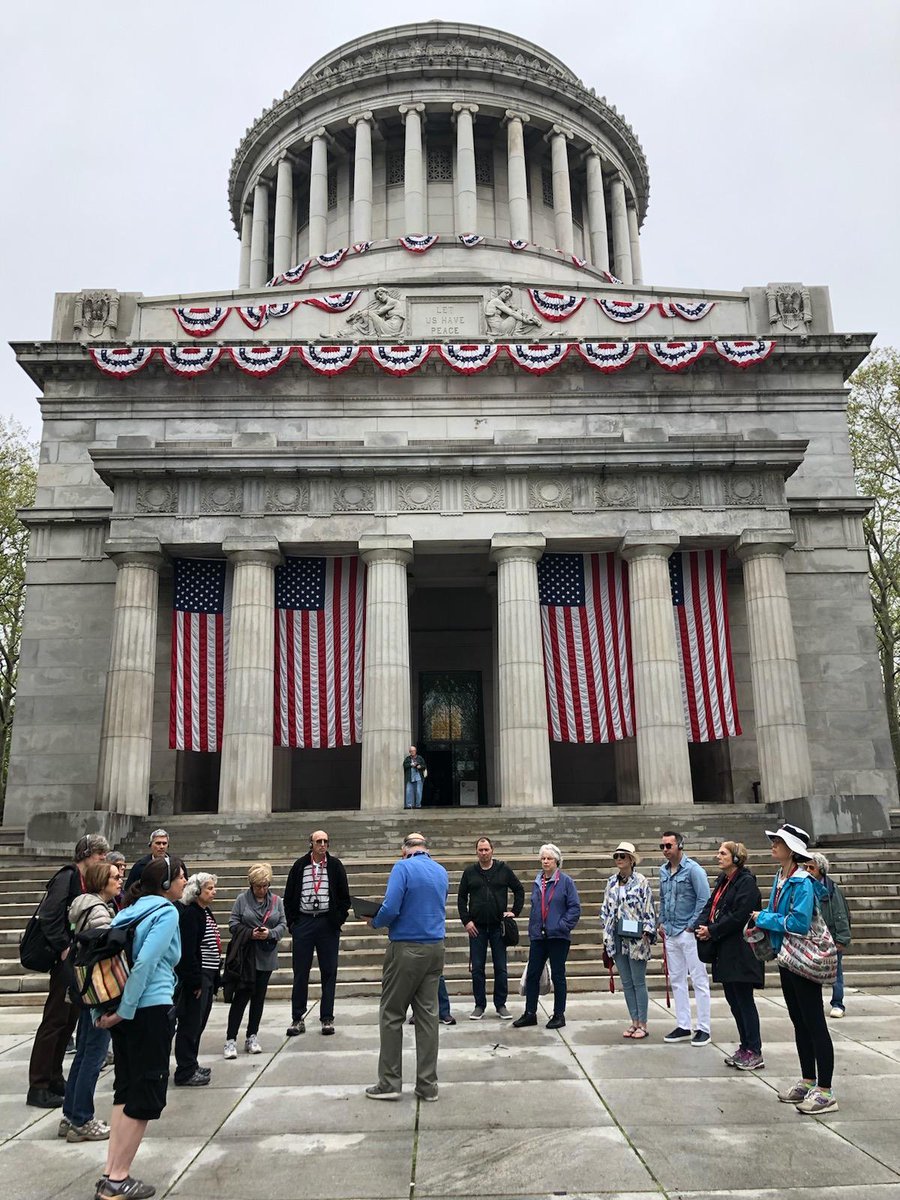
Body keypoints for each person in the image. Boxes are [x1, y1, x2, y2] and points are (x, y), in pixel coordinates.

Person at [95, 854, 188, 1200]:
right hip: (148, 1009)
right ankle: (119, 1179)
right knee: (146, 1093)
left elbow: (106, 961)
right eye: (181, 876)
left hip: (125, 1009)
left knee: (125, 1090)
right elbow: (146, 962)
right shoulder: (166, 912)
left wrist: (109, 1011)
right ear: (165, 883)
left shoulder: (128, 911)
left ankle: (110, 1173)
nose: (184, 882)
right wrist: (125, 1010)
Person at [751, 823, 838, 1114]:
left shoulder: (801, 881)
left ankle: (825, 1090)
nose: (773, 845)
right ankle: (808, 1079)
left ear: (791, 850)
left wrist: (763, 919)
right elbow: (779, 914)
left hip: (804, 957)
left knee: (814, 1022)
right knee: (799, 1021)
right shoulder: (781, 877)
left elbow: (798, 923)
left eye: (778, 841)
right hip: (787, 956)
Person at [27, 832, 110, 1108]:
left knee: (68, 1019)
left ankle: (54, 1077)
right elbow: (50, 914)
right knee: (55, 1020)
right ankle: (39, 1084)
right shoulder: (68, 876)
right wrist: (63, 946)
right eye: (99, 854)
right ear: (86, 854)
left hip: (76, 959)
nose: (103, 859)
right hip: (65, 959)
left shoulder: (83, 879)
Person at [366, 832, 448, 1102]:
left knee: (392, 1013)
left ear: (405, 851)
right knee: (428, 1017)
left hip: (406, 947)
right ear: (425, 848)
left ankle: (389, 1082)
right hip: (435, 946)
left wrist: (375, 921)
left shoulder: (402, 868)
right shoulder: (440, 871)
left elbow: (391, 908)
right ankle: (428, 1085)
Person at [59, 860, 120, 1142]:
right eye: (114, 877)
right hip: (98, 990)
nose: (119, 881)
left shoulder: (84, 906)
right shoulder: (98, 911)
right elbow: (103, 952)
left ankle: (71, 1114)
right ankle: (82, 1119)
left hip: (84, 988)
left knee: (84, 1052)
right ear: (101, 881)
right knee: (94, 1054)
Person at [695, 842, 765, 1070]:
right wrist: (701, 925)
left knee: (744, 1001)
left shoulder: (746, 883)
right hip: (725, 950)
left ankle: (754, 1050)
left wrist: (712, 930)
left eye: (723, 853)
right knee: (734, 1001)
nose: (718, 856)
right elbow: (710, 906)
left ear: (736, 858)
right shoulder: (723, 881)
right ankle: (745, 1047)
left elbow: (739, 916)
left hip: (741, 952)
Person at [284, 831, 351, 1037]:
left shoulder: (335, 866)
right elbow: (289, 896)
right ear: (311, 844)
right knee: (300, 971)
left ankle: (327, 1018)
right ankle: (297, 1017)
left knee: (329, 971)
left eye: (325, 841)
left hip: (327, 923)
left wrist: (337, 919)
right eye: (318, 841)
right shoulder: (299, 866)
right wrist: (293, 923)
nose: (322, 845)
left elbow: (344, 897)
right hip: (304, 922)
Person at [513, 843, 581, 1030]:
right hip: (539, 935)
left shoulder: (566, 882)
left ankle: (559, 1014)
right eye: (543, 858)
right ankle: (530, 1012)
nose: (545, 861)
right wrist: (533, 928)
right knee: (533, 974)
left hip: (558, 936)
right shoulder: (538, 881)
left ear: (557, 861)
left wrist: (562, 926)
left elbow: (574, 908)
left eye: (549, 858)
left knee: (558, 975)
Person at [457, 836, 525, 1020]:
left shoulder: (503, 869)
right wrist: (466, 921)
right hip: (477, 928)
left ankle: (500, 1004)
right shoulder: (469, 872)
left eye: (486, 849)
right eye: (480, 850)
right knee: (477, 968)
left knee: (500, 968)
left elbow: (519, 889)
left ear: (492, 850)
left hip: (498, 927)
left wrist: (514, 912)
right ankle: (479, 1005)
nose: (484, 853)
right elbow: (461, 898)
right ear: (476, 852)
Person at [224, 863, 286, 1058]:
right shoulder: (242, 900)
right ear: (251, 885)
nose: (262, 890)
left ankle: (252, 1035)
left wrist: (270, 933)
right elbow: (233, 923)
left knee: (259, 998)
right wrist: (250, 933)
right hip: (246, 956)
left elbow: (283, 924)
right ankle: (230, 1039)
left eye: (265, 886)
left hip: (266, 955)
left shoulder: (276, 901)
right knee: (241, 997)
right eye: (258, 886)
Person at [658, 830, 712, 1046]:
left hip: (688, 932)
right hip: (671, 931)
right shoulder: (663, 871)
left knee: (699, 979)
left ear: (679, 846)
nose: (665, 850)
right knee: (677, 979)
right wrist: (662, 921)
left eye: (668, 846)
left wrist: (691, 926)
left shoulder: (693, 870)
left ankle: (704, 1027)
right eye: (662, 846)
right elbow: (663, 898)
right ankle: (683, 1024)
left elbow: (704, 899)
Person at [599, 841, 655, 1040]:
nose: (619, 860)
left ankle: (643, 1023)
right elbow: (605, 908)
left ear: (631, 859)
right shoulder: (611, 882)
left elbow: (649, 908)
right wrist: (606, 931)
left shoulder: (641, 881)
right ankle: (634, 1021)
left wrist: (647, 931)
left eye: (622, 856)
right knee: (626, 981)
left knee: (638, 981)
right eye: (616, 856)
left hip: (636, 937)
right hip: (615, 935)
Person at [174, 873, 221, 1086]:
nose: (213, 892)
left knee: (199, 1023)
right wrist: (195, 981)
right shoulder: (191, 914)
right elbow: (189, 950)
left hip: (208, 974)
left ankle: (191, 1063)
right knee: (190, 1024)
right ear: (196, 891)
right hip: (198, 976)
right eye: (209, 888)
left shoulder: (204, 911)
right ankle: (185, 1070)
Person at [807, 852, 852, 1018]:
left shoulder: (832, 889)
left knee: (836, 973)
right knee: (811, 973)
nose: (808, 870)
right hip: (813, 937)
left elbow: (840, 914)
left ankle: (838, 1003)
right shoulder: (806, 886)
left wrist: (842, 939)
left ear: (821, 870)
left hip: (831, 937)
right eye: (806, 867)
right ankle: (814, 1004)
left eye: (811, 867)